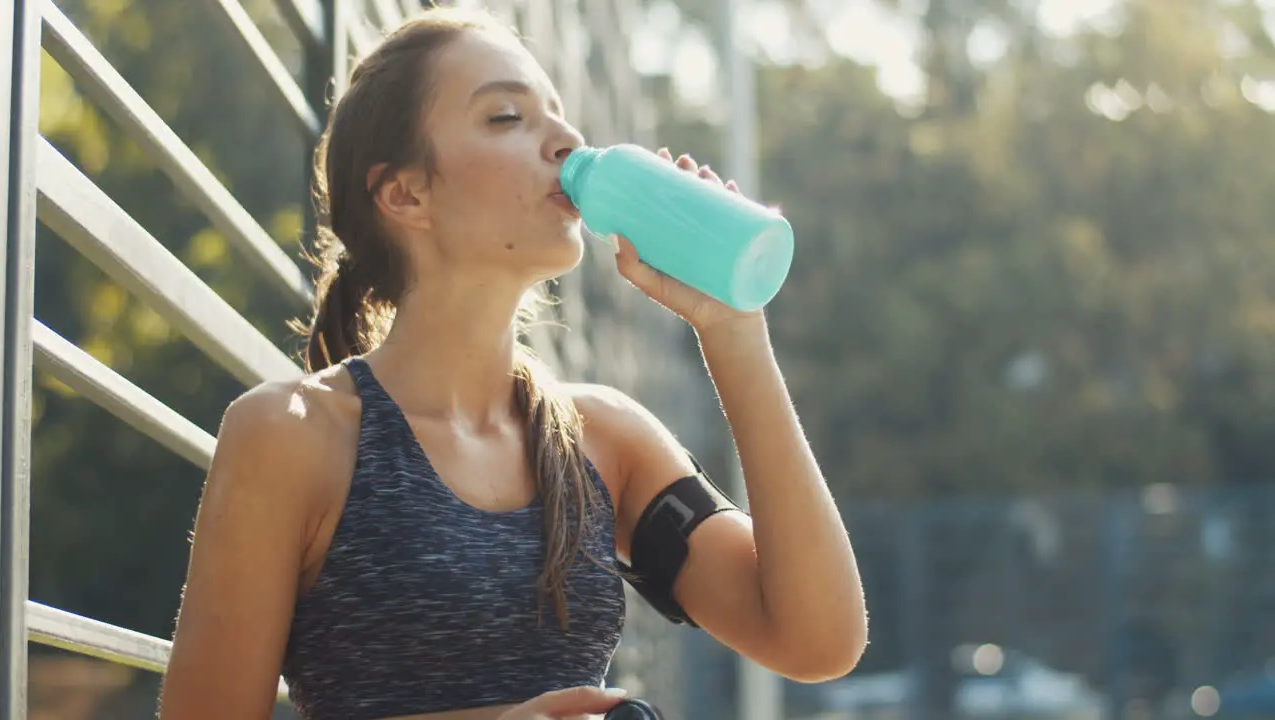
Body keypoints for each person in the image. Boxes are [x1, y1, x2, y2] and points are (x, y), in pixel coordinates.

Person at [157, 6, 866, 720]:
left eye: (557, 114)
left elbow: (817, 640)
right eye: (506, 117)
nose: (566, 138)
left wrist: (734, 335)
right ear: (406, 193)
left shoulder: (606, 440)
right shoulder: (290, 435)